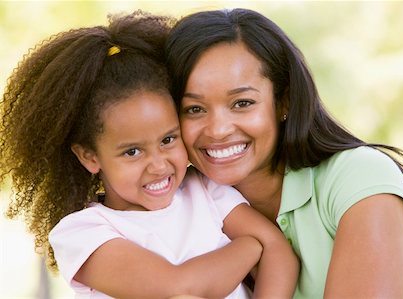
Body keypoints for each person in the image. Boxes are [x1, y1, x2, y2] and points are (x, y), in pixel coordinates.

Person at [0, 10, 299, 299]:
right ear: (90, 157)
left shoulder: (202, 188)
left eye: (168, 139)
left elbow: (279, 252)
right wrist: (249, 247)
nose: (158, 165)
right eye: (132, 151)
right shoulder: (84, 233)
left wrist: (262, 248)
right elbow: (179, 287)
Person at [164, 8, 403, 298]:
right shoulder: (183, 204)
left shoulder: (359, 177)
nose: (218, 129)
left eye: (242, 103)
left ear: (284, 102)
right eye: (194, 109)